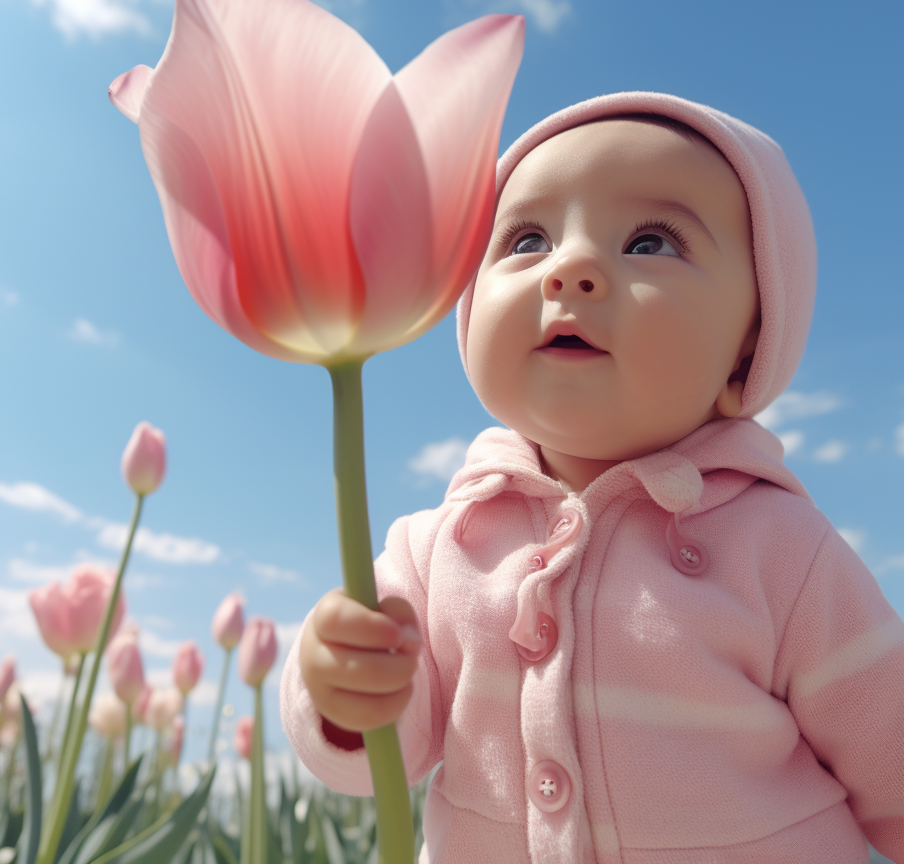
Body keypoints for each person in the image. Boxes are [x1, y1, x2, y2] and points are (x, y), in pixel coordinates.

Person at [280, 92, 904, 863]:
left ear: (748, 354)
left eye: (649, 243)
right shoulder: (436, 551)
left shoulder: (784, 554)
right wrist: (342, 693)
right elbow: (377, 758)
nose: (570, 268)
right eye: (527, 239)